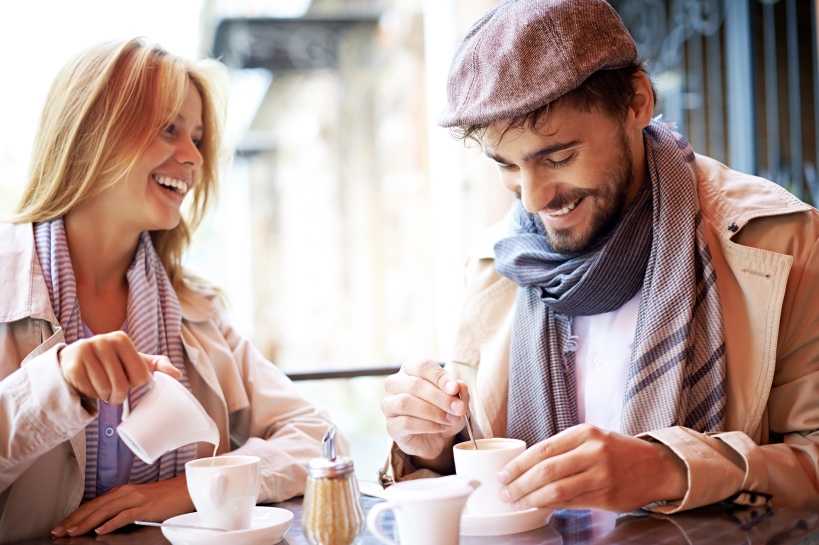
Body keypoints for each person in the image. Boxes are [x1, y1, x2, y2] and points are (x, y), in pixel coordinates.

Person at [381, 0, 819, 515]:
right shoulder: (493, 265)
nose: (533, 198)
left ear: (637, 102)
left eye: (558, 157)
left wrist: (674, 469)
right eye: (507, 167)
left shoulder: (780, 242)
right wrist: (430, 446)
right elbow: (481, 474)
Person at [0, 38, 342, 542]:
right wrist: (58, 386)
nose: (193, 157)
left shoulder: (194, 311)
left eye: (198, 137)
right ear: (93, 132)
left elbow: (317, 436)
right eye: (169, 129)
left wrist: (187, 491)